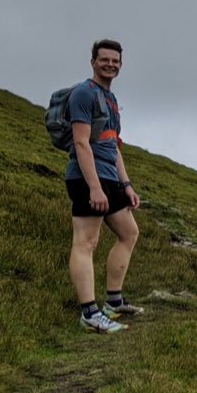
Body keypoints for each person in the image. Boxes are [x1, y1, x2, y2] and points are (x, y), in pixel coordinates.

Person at [66, 39, 144, 333]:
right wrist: (94, 187)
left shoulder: (110, 99)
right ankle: (89, 313)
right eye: (104, 60)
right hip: (87, 178)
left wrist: (126, 184)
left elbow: (113, 145)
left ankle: (113, 302)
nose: (110, 64)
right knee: (86, 242)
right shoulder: (84, 93)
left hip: (110, 178)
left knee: (129, 232)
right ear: (93, 62)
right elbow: (81, 142)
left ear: (120, 66)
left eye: (115, 61)